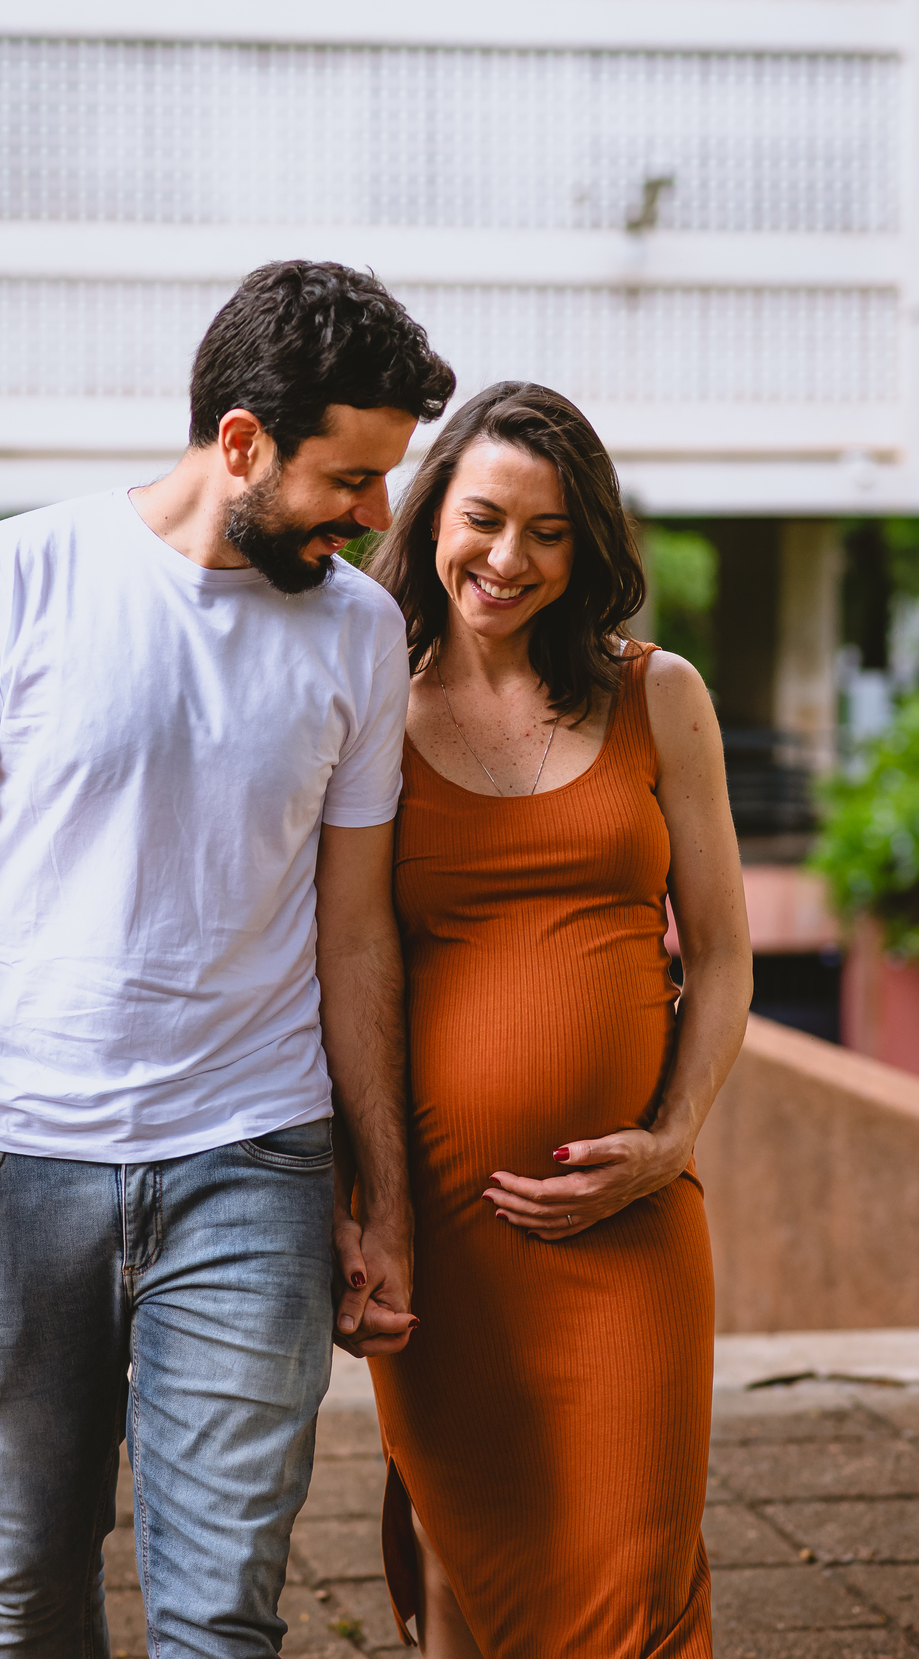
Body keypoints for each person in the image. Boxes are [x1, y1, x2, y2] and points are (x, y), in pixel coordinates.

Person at [0, 261, 455, 1659]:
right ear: (241, 443)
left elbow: (356, 935)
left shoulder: (359, 631)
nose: (377, 516)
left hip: (251, 1161)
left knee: (223, 1611)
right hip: (12, 1161)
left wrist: (382, 1198)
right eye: (349, 480)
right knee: (30, 1591)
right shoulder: (24, 572)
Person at [351, 380, 753, 1658]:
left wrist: (670, 1142)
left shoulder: (658, 695)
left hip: (630, 1222)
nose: (508, 558)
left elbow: (729, 957)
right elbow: (348, 965)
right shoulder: (372, 709)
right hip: (446, 1233)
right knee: (464, 1550)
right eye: (482, 519)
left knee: (639, 1570)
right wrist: (375, 1212)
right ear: (429, 526)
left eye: (549, 531)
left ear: (589, 549)